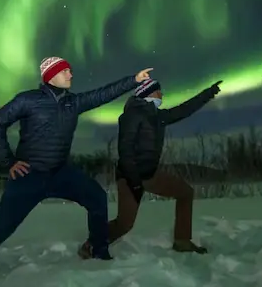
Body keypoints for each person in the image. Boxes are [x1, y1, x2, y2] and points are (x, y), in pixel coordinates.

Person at [0, 56, 154, 277]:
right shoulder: (28, 99)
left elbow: (102, 94)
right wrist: (8, 161)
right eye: (65, 71)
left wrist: (134, 80)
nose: (70, 74)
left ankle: (98, 252)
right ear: (51, 76)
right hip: (28, 176)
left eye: (69, 70)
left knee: (97, 197)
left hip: (60, 173)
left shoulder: (73, 102)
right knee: (1, 228)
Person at [78, 78, 222, 258]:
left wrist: (208, 94)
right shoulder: (132, 115)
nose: (162, 95)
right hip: (130, 177)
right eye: (158, 91)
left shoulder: (158, 116)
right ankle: (91, 244)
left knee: (185, 192)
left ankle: (182, 241)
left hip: (150, 174)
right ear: (148, 93)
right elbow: (125, 151)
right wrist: (134, 182)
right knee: (125, 224)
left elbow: (183, 110)